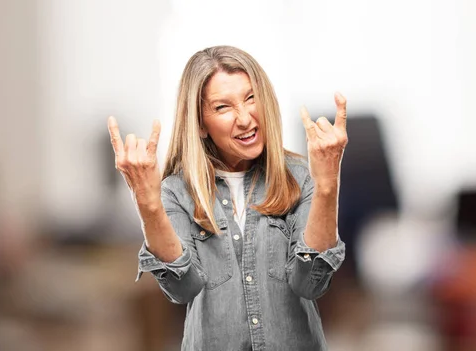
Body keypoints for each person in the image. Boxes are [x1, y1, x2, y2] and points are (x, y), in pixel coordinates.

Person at [107, 45, 348, 350]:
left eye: (251, 98)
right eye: (223, 107)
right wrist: (147, 201)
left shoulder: (300, 177)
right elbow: (182, 288)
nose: (245, 119)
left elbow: (310, 282)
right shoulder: (177, 192)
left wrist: (327, 183)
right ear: (200, 124)